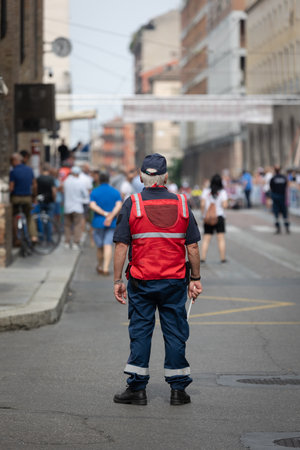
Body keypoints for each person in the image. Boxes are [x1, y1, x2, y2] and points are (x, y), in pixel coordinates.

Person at [113, 153, 202, 406]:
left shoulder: (133, 203)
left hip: (142, 281)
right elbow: (193, 247)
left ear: (141, 176)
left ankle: (137, 389)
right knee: (175, 332)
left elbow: (121, 246)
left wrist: (117, 280)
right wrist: (195, 278)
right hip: (174, 281)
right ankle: (178, 391)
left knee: (140, 331)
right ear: (166, 177)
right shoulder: (183, 204)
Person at [90, 171, 122, 275]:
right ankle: (106, 268)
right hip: (112, 222)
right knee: (108, 244)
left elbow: (92, 206)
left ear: (99, 180)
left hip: (98, 222)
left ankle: (99, 265)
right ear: (109, 180)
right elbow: (118, 205)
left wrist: (104, 213)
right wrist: (111, 216)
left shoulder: (94, 192)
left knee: (99, 246)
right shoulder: (115, 192)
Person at [9, 153, 37, 243]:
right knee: (29, 216)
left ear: (15, 161)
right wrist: (34, 196)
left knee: (13, 216)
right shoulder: (29, 170)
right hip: (27, 197)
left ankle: (17, 239)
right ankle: (33, 237)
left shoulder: (13, 172)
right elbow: (35, 185)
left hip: (16, 197)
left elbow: (11, 187)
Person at [200, 174, 228, 263]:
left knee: (206, 238)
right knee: (221, 238)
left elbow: (202, 204)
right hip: (219, 216)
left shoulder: (206, 191)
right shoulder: (222, 192)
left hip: (208, 217)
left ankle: (203, 257)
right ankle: (222, 258)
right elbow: (225, 205)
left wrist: (203, 214)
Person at [63, 166, 89, 250]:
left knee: (67, 225)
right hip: (77, 206)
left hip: (67, 206)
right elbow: (85, 194)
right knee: (77, 225)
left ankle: (67, 242)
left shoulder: (66, 181)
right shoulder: (80, 182)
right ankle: (75, 242)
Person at [36, 163, 57, 242]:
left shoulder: (38, 178)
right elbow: (54, 191)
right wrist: (54, 199)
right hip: (50, 201)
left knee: (40, 220)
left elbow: (35, 188)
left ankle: (41, 238)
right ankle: (49, 238)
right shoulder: (51, 179)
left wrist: (36, 196)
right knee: (49, 220)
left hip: (41, 200)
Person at [270, 165, 290, 234]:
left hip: (275, 197)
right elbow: (286, 186)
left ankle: (278, 228)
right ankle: (287, 228)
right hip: (282, 197)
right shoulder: (284, 178)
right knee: (284, 213)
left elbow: (271, 188)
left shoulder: (273, 178)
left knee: (276, 213)